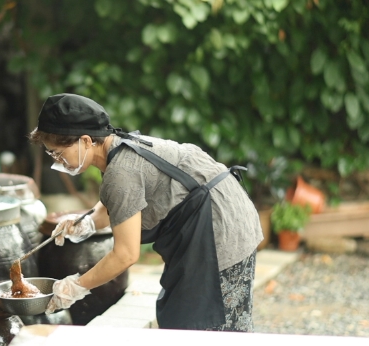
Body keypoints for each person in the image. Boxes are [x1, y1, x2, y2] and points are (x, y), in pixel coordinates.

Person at [28, 93, 263, 331]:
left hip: (222, 229)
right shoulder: (117, 148)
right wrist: (86, 223)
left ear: (87, 141)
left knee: (207, 327)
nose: (57, 161)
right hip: (214, 220)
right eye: (51, 155)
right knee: (180, 318)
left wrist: (74, 287)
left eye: (58, 153)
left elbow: (126, 255)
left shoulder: (120, 173)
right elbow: (121, 205)